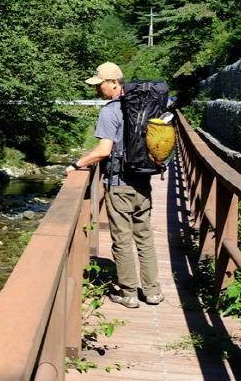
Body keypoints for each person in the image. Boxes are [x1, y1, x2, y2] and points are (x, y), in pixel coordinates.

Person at [65, 62, 163, 308]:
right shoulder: (147, 105)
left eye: (100, 85)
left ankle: (128, 293)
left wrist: (76, 165)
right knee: (145, 236)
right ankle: (152, 291)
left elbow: (103, 150)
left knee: (121, 239)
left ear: (114, 83)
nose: (98, 89)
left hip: (119, 184)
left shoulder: (110, 111)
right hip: (143, 179)